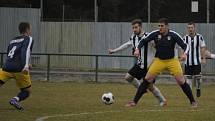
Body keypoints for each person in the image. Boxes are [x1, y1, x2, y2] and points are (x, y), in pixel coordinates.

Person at [126, 18, 197, 108]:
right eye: (159, 26)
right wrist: (137, 49)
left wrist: (185, 54)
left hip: (172, 61)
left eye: (162, 26)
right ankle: (134, 102)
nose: (160, 28)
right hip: (159, 60)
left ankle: (193, 101)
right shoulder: (155, 34)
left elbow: (185, 45)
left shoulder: (173, 35)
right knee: (147, 79)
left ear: (167, 26)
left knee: (181, 80)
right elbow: (143, 41)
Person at [108, 19, 167, 106]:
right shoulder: (133, 37)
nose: (134, 29)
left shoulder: (148, 36)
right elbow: (126, 45)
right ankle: (141, 89)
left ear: (140, 27)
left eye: (136, 27)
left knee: (150, 86)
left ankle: (162, 100)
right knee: (128, 77)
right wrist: (114, 51)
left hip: (149, 66)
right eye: (133, 28)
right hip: (140, 65)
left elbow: (157, 47)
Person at [0, 22, 34, 110]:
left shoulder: (13, 40)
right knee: (27, 91)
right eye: (30, 29)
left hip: (6, 67)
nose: (31, 30)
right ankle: (15, 100)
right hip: (20, 70)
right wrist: (26, 66)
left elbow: (9, 54)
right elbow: (25, 51)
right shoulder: (28, 38)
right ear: (27, 29)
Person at [183, 22, 206, 97]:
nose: (190, 29)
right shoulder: (185, 38)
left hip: (197, 61)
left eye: (191, 27)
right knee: (188, 78)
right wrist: (182, 58)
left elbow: (202, 48)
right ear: (187, 29)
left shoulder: (200, 37)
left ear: (194, 28)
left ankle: (198, 88)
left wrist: (203, 58)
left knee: (198, 78)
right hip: (188, 62)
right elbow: (182, 48)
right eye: (189, 28)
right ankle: (190, 95)